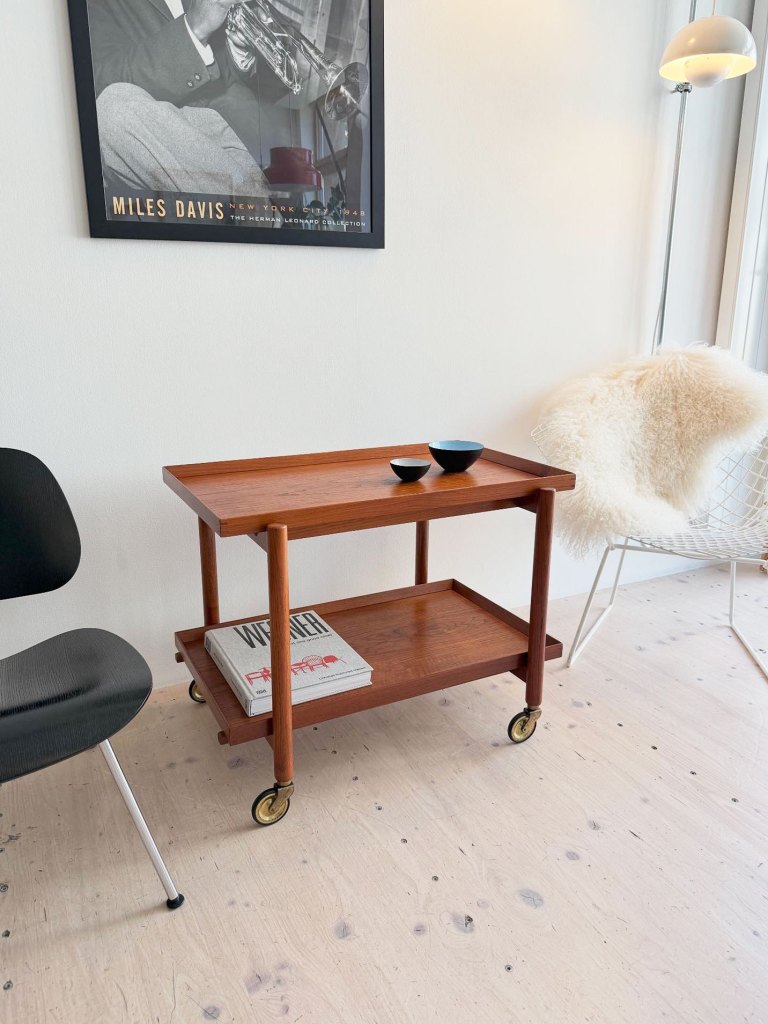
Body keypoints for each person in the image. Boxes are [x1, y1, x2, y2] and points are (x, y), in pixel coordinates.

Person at [88, 0, 285, 196]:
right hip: (162, 142)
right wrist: (193, 29)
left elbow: (225, 75)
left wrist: (239, 48)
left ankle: (257, 206)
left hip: (240, 137)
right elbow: (102, 79)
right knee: (113, 108)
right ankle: (255, 206)